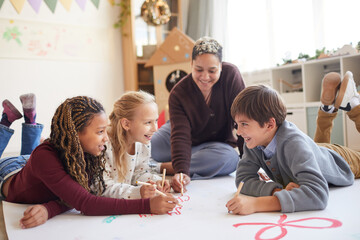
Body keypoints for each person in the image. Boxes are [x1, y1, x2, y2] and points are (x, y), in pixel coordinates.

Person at [0, 95, 178, 229]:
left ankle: (30, 122)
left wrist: (50, 208)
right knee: (33, 154)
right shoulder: (45, 158)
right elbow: (86, 203)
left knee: (31, 156)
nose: (107, 139)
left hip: (34, 168)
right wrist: (147, 206)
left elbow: (79, 194)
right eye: (100, 132)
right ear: (75, 134)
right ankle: (7, 121)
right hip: (8, 173)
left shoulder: (89, 155)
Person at [226, 75, 360, 215]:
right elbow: (243, 179)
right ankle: (327, 109)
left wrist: (257, 203)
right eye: (237, 124)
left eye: (244, 124)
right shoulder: (253, 142)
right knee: (316, 146)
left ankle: (354, 103)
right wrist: (275, 191)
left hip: (342, 159)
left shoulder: (294, 144)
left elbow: (317, 194)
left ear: (270, 124)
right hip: (313, 151)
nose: (238, 132)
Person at [151, 37, 245, 193]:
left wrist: (249, 163)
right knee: (152, 147)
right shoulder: (178, 93)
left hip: (214, 143)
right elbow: (180, 135)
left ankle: (162, 166)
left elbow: (243, 120)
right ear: (191, 65)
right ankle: (180, 160)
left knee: (231, 159)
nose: (205, 77)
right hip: (181, 131)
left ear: (221, 66)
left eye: (212, 70)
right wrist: (182, 170)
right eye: (199, 69)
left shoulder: (231, 76)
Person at [98, 91, 171, 199]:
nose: (155, 128)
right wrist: (137, 192)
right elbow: (102, 188)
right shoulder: (104, 146)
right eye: (148, 122)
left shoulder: (143, 143)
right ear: (126, 124)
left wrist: (156, 181)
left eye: (155, 121)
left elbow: (139, 174)